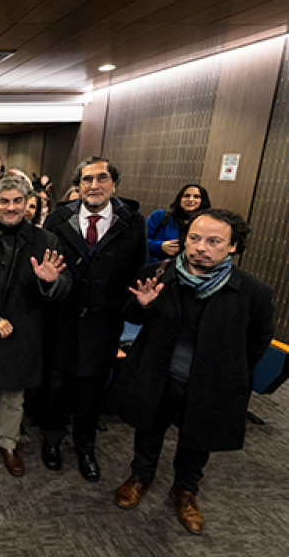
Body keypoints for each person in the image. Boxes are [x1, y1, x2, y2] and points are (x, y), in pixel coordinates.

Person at [108, 209, 273, 535]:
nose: (201, 247)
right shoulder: (158, 274)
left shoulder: (254, 293)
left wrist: (228, 370)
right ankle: (140, 476)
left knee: (199, 440)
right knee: (149, 429)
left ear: (233, 247)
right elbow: (130, 318)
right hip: (159, 374)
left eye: (214, 241)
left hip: (211, 380)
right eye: (194, 238)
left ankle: (185, 491)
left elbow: (256, 343)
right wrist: (141, 304)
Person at [39, 157, 147, 482]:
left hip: (104, 322)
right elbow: (48, 268)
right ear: (79, 185)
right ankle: (52, 441)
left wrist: (133, 306)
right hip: (61, 321)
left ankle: (85, 448)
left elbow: (135, 274)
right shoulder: (58, 219)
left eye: (102, 179)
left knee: (90, 393)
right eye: (87, 180)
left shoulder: (132, 222)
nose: (94, 185)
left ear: (114, 184)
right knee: (54, 390)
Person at [0, 175, 71, 476]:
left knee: (13, 395)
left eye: (17, 201)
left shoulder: (47, 241)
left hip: (24, 330)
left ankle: (8, 442)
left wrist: (51, 282)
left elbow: (66, 286)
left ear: (27, 205)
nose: (10, 207)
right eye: (4, 201)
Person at [147, 184, 211, 263]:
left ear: (203, 201)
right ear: (180, 199)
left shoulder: (207, 223)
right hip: (156, 267)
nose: (190, 199)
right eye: (186, 196)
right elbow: (139, 241)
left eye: (196, 196)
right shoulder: (160, 215)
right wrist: (160, 246)